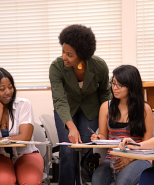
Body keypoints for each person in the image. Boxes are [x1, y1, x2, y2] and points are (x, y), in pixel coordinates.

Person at [49, 24, 111, 185]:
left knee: (86, 151)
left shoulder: (99, 66)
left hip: (90, 109)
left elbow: (105, 92)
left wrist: (107, 116)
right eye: (63, 51)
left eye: (70, 54)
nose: (64, 57)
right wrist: (71, 126)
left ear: (82, 55)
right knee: (68, 152)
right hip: (66, 109)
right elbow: (59, 99)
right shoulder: (56, 67)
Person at [0, 67, 44, 185]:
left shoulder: (24, 104)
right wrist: (0, 109)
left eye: (10, 87)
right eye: (2, 89)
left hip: (26, 154)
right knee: (4, 180)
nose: (8, 92)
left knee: (31, 181)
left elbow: (25, 136)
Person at [90, 65, 154, 185]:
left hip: (139, 157)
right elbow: (103, 135)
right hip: (113, 157)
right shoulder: (106, 107)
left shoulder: (144, 109)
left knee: (122, 181)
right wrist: (98, 138)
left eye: (120, 85)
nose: (115, 87)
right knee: (97, 180)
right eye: (113, 83)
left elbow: (147, 144)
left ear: (131, 86)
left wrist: (129, 159)